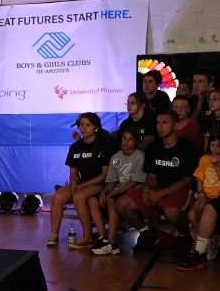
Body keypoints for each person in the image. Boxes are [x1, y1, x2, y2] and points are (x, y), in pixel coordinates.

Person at [116, 110, 200, 255]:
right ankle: (147, 233)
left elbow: (187, 181)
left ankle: (184, 237)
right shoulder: (154, 147)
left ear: (176, 125)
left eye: (165, 122)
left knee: (172, 212)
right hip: (157, 188)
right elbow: (151, 176)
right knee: (122, 204)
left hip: (179, 189)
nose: (160, 126)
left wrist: (160, 193)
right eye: (158, 123)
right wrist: (147, 190)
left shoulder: (187, 148)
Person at [47, 113, 114, 249]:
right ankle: (54, 235)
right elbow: (73, 171)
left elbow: (103, 176)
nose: (84, 128)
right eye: (82, 124)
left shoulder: (103, 146)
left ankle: (88, 237)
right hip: (81, 183)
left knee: (79, 196)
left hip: (99, 183)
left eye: (88, 125)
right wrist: (74, 182)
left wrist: (81, 185)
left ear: (95, 127)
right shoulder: (75, 147)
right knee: (58, 197)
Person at [90, 126, 146, 255]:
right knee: (97, 199)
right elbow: (111, 182)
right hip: (119, 190)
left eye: (130, 139)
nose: (126, 142)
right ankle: (104, 238)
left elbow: (133, 183)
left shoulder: (140, 156)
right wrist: (105, 191)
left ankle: (112, 242)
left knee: (111, 200)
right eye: (124, 138)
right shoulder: (115, 157)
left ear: (136, 142)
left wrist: (113, 193)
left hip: (134, 190)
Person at [178, 135, 220, 270]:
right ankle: (210, 239)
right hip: (206, 195)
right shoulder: (204, 159)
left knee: (208, 210)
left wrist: (215, 166)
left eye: (218, 146)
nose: (215, 149)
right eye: (213, 146)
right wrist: (201, 195)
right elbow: (199, 180)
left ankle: (201, 248)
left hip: (217, 197)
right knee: (192, 214)